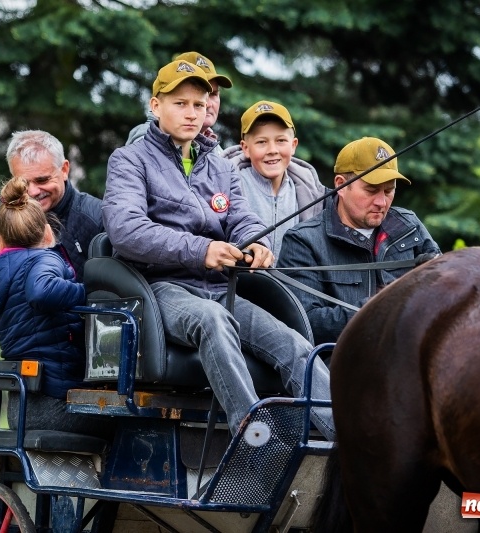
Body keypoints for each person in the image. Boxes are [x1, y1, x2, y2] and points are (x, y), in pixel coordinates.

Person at [103, 59, 335, 440]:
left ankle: (341, 442)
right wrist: (201, 250)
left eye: (199, 104)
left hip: (219, 288)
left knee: (294, 344)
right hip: (158, 288)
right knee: (213, 320)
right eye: (181, 103)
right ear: (155, 105)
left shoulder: (219, 165)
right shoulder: (129, 160)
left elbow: (241, 220)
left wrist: (257, 242)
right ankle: (254, 438)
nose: (193, 113)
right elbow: (127, 231)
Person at [0, 130, 104, 381]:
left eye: (43, 179)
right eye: (24, 183)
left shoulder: (97, 216)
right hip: (26, 365)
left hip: (88, 358)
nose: (33, 191)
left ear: (64, 169)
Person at [277, 137, 442, 345]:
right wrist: (383, 306)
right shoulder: (303, 241)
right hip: (343, 362)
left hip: (414, 351)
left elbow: (445, 294)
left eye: (389, 190)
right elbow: (305, 324)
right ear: (341, 185)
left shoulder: (409, 225)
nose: (382, 202)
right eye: (371, 190)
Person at [0, 176, 108, 441]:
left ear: (0, 242)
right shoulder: (44, 259)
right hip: (58, 404)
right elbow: (41, 291)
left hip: (21, 406)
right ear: (48, 233)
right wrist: (86, 292)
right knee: (127, 422)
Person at [222, 100, 328, 260]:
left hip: (291, 283)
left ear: (293, 145)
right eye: (261, 142)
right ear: (245, 148)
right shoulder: (229, 185)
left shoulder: (309, 191)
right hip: (240, 281)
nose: (272, 150)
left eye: (281, 141)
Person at [125, 51, 233, 153]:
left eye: (214, 94)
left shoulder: (216, 148)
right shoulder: (146, 141)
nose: (208, 104)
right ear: (156, 106)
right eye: (182, 102)